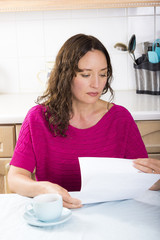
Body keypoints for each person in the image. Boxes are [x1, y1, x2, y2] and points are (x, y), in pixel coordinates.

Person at [8, 34, 160, 208]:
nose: (97, 84)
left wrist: (156, 178)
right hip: (59, 216)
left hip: (113, 217)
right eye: (86, 75)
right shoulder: (38, 118)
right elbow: (14, 178)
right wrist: (40, 188)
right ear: (65, 75)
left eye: (103, 74)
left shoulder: (121, 118)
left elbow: (143, 179)